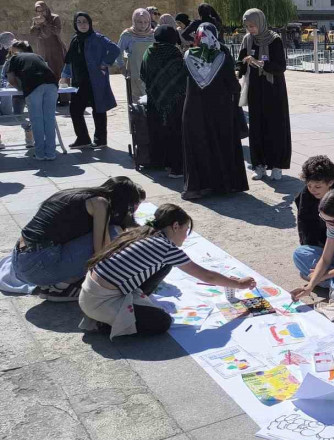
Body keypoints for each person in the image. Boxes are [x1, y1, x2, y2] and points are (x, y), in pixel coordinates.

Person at [80, 204, 256, 339]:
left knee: (165, 265)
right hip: (101, 303)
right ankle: (104, 325)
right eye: (186, 230)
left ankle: (121, 310)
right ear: (176, 226)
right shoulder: (164, 247)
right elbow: (207, 276)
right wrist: (240, 284)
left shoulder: (144, 233)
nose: (186, 236)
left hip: (91, 292)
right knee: (162, 322)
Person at [11, 176, 143, 301]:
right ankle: (61, 287)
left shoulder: (74, 194)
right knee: (114, 232)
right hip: (38, 267)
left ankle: (55, 280)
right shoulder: (100, 204)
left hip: (19, 261)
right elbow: (101, 251)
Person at [181, 23, 248, 200]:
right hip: (220, 110)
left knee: (198, 145)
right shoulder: (222, 56)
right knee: (220, 144)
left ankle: (198, 187)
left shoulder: (188, 56)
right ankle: (223, 185)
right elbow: (233, 86)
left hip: (193, 109)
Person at [238, 8, 291, 181]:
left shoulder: (274, 40)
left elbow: (280, 66)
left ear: (260, 23)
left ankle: (276, 165)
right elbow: (240, 63)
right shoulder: (248, 40)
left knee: (275, 127)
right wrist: (243, 65)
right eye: (247, 26)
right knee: (257, 127)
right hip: (255, 89)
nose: (251, 29)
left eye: (253, 25)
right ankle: (259, 165)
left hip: (274, 90)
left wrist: (261, 64)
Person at [60, 12, 120, 150]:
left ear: (90, 23)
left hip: (95, 80)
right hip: (79, 81)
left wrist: (105, 63)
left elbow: (114, 49)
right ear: (75, 24)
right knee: (77, 109)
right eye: (79, 22)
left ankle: (97, 139)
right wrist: (65, 76)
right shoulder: (75, 39)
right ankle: (86, 139)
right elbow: (69, 60)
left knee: (96, 109)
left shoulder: (97, 38)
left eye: (85, 21)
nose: (82, 25)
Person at [141, 25, 187, 177]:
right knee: (175, 132)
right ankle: (176, 168)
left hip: (154, 99)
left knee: (158, 130)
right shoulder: (174, 53)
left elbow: (143, 74)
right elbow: (182, 77)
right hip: (174, 101)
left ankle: (161, 163)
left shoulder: (149, 51)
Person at [5, 40, 59, 161]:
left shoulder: (14, 59)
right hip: (52, 84)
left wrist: (21, 89)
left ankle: (40, 153)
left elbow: (11, 79)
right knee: (49, 119)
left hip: (33, 85)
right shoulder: (37, 56)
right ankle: (51, 153)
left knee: (37, 120)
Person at [295, 155, 334, 251]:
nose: (312, 190)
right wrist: (309, 247)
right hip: (316, 230)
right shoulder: (306, 195)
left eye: (318, 186)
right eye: (309, 185)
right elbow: (305, 224)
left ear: (330, 183)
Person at [0, 35, 34, 150]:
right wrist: (7, 83)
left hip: (28, 92)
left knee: (28, 115)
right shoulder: (8, 62)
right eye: (13, 52)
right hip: (12, 93)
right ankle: (28, 129)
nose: (15, 54)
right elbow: (3, 77)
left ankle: (31, 134)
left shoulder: (31, 60)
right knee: (12, 115)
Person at [116, 9, 155, 99]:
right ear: (134, 21)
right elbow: (118, 52)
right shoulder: (127, 35)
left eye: (146, 22)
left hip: (151, 74)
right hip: (134, 73)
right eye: (139, 22)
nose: (143, 25)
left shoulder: (153, 34)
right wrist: (122, 68)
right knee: (136, 102)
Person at [29, 2, 66, 87]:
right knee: (45, 72)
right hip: (43, 49)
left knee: (58, 72)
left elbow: (57, 31)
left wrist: (45, 22)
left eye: (42, 11)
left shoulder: (55, 18)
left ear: (46, 9)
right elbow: (33, 33)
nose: (41, 13)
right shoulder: (37, 19)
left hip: (55, 50)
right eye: (38, 11)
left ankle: (63, 98)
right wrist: (36, 26)